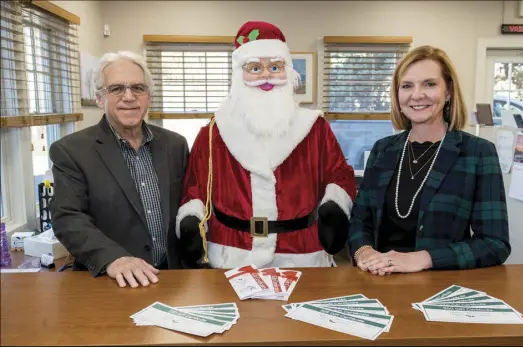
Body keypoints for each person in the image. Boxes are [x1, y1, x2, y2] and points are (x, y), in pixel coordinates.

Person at [176, 21, 357, 268]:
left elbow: (339, 173)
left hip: (300, 255)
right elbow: (196, 186)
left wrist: (335, 207)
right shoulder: (213, 132)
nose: (266, 76)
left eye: (275, 66)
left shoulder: (315, 128)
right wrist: (191, 220)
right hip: (232, 255)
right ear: (239, 74)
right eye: (254, 68)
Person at [348, 45, 511, 275]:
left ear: (448, 92)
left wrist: (424, 259)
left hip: (441, 288)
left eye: (429, 84)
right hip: (378, 281)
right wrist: (363, 251)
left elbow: (495, 244)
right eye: (407, 86)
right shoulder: (382, 150)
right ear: (397, 95)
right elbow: (359, 220)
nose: (417, 95)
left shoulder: (478, 152)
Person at [50, 51, 200, 288]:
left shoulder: (176, 144)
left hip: (172, 278)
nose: (129, 97)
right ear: (100, 98)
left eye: (138, 88)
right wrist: (114, 258)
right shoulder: (71, 151)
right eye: (117, 88)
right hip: (111, 281)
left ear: (148, 96)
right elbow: (68, 218)